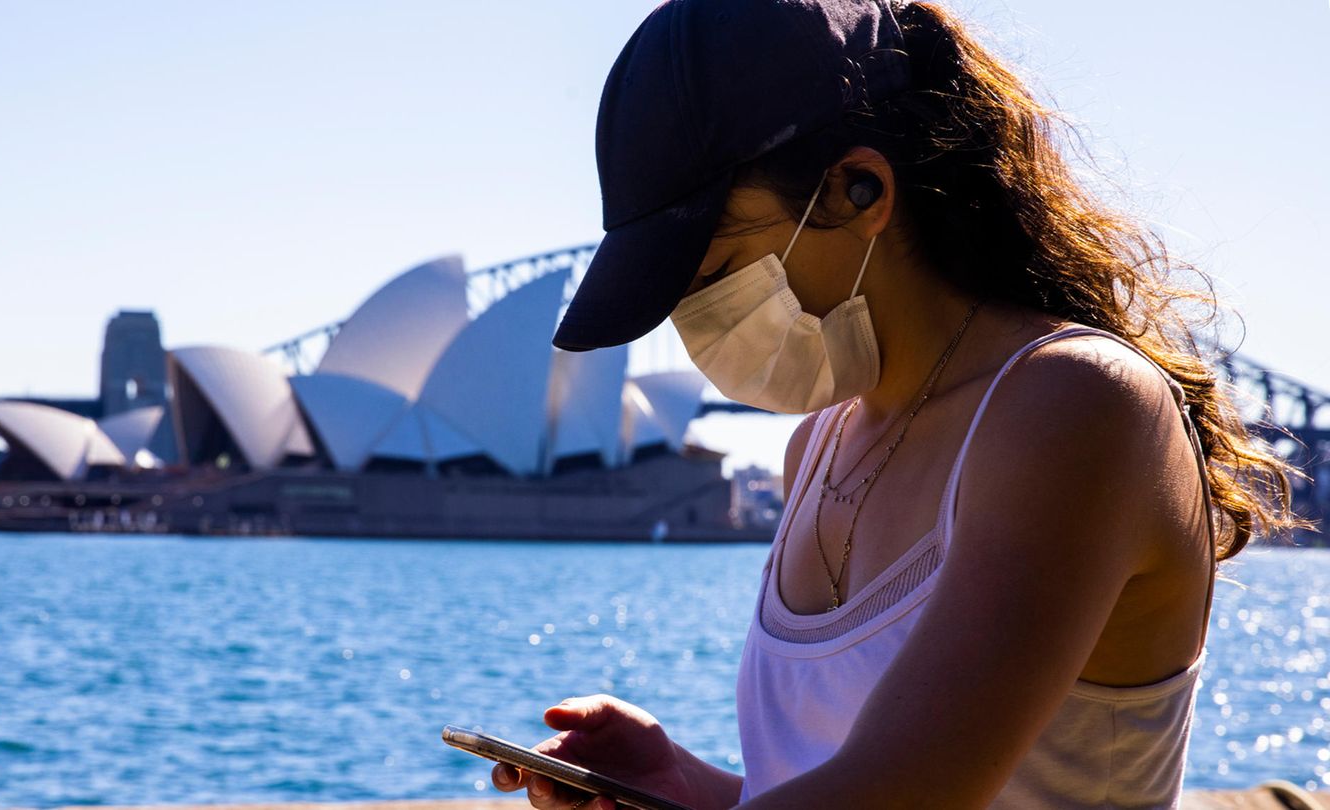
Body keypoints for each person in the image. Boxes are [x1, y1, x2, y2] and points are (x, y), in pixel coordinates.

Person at [492, 0, 1302, 807]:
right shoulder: (817, 447)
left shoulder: (1074, 405)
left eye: (712, 275)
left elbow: (903, 793)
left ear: (858, 190)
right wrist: (676, 784)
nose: (694, 323)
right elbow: (826, 781)